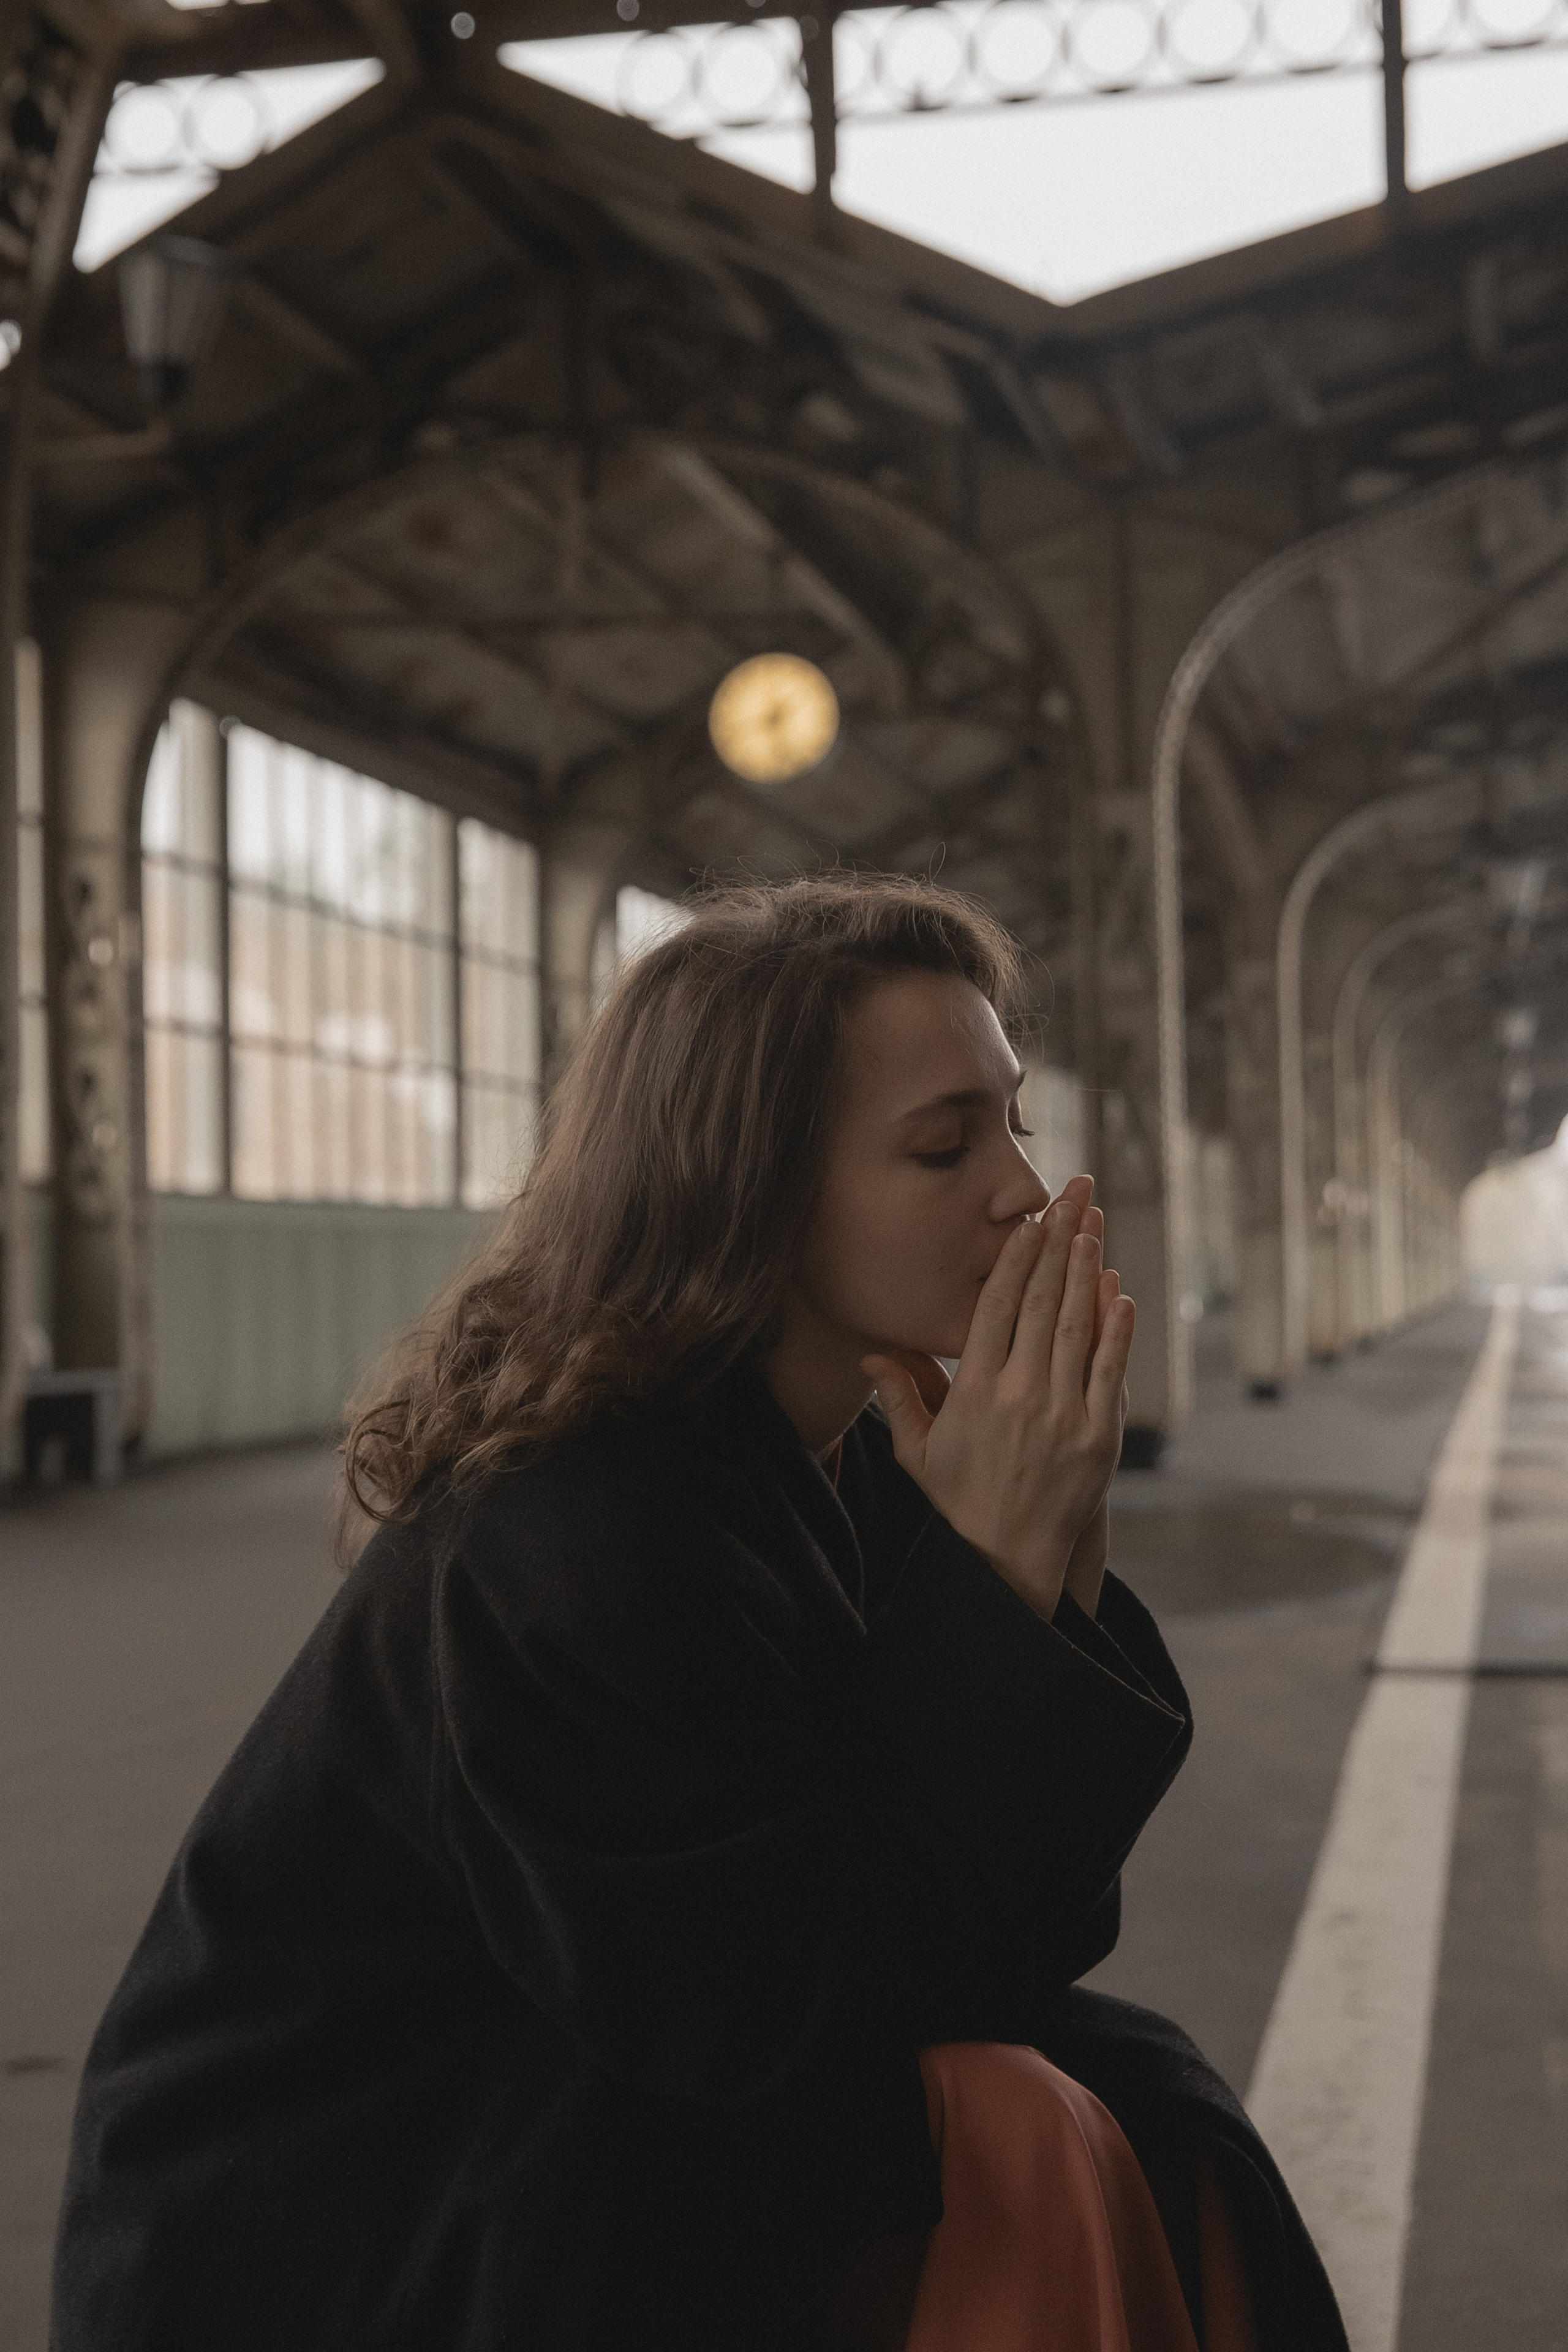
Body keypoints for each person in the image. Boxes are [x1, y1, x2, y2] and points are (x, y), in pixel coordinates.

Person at [51, 875, 1346, 2352]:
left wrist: (1030, 1569)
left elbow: (982, 1934)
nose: (1020, 1191)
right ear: (751, 1194)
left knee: (1126, 2094)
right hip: (336, 2222)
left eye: (1013, 1123)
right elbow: (763, 2013)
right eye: (942, 1144)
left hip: (563, 2112)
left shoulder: (828, 1453)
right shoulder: (576, 1526)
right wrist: (989, 1592)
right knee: (1027, 2116)